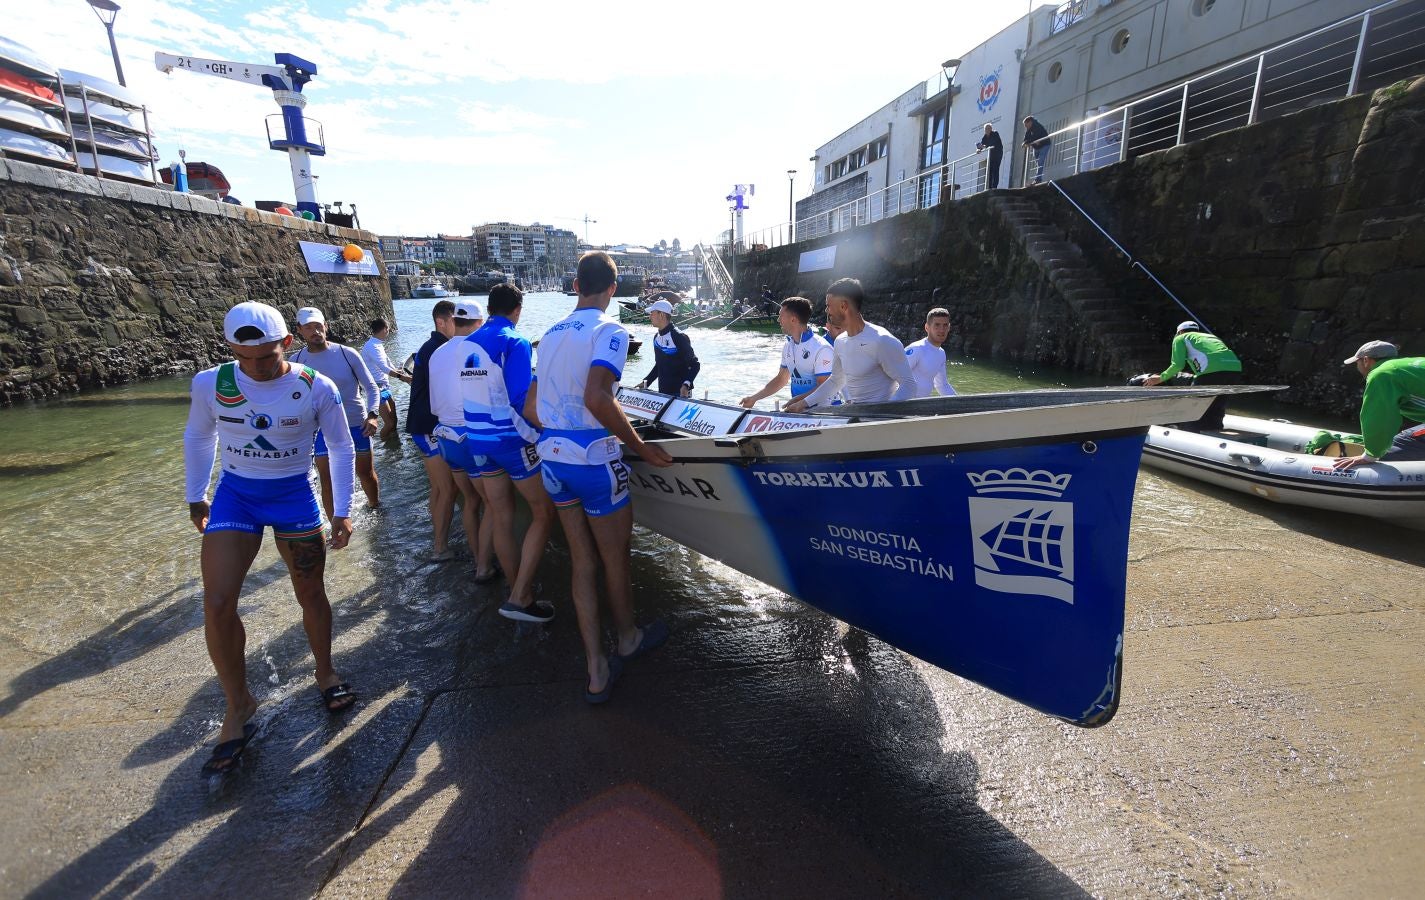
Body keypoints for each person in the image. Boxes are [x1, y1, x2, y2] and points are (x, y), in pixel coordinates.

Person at [184, 302, 358, 775]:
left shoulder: (314, 386)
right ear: (231, 349)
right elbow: (200, 437)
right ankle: (239, 704)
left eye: (266, 355)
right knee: (217, 601)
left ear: (286, 343)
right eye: (246, 357)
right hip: (236, 496)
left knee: (310, 592)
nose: (257, 367)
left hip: (293, 496)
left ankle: (325, 673)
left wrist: (341, 510)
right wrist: (195, 494)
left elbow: (341, 446)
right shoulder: (210, 383)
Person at [525, 251, 675, 703]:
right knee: (614, 559)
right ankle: (627, 639)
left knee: (581, 560)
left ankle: (594, 669)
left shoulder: (549, 334)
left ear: (575, 286)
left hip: (551, 459)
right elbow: (596, 395)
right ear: (613, 290)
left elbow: (531, 407)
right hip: (593, 461)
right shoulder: (610, 330)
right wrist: (641, 446)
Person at [460, 283, 556, 623]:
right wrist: (550, 430)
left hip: (479, 442)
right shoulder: (515, 341)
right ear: (517, 309)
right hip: (513, 442)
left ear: (489, 308)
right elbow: (520, 399)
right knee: (543, 512)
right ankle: (519, 597)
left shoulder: (467, 343)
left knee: (500, 514)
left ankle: (518, 591)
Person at [427, 300, 499, 581]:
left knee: (470, 501)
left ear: (454, 321)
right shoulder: (478, 349)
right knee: (493, 503)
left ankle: (476, 555)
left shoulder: (436, 353)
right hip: (472, 436)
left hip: (446, 438)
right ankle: (484, 566)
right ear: (480, 323)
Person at [291, 307, 383, 513]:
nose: (315, 331)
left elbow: (371, 387)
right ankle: (336, 528)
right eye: (308, 328)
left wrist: (373, 415)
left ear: (326, 326)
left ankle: (375, 508)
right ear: (299, 330)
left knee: (365, 473)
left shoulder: (347, 353)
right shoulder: (295, 362)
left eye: (318, 326)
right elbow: (290, 399)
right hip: (321, 430)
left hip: (356, 425)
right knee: (328, 480)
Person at [786, 277, 917, 412]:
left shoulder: (882, 340)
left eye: (828, 306)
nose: (826, 311)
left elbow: (909, 385)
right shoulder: (840, 341)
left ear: (843, 306)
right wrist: (803, 403)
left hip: (879, 422)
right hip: (854, 416)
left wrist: (882, 414)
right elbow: (836, 381)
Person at [405, 300, 459, 561]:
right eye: (454, 321)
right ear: (441, 322)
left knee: (438, 488)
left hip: (423, 424)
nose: (458, 326)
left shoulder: (430, 347)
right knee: (448, 488)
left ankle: (437, 536)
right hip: (427, 427)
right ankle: (440, 548)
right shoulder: (438, 349)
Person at [1334, 341, 1425, 471]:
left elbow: (1380, 418)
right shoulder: (1410, 366)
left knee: (1395, 447)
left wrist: (1371, 455)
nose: (1357, 367)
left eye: (1357, 363)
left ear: (1366, 360)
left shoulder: (1381, 374)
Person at [1143, 321, 1242, 431]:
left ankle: (1190, 434)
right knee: (1218, 405)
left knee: (1191, 409)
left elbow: (1178, 365)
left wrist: (1161, 378)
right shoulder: (1210, 337)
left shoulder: (1181, 338)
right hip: (1235, 368)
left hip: (1211, 371)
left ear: (1179, 332)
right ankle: (1215, 431)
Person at [739, 296, 834, 408]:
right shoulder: (788, 346)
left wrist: (797, 401)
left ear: (793, 320)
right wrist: (754, 398)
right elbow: (781, 379)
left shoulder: (821, 348)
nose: (778, 320)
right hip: (799, 410)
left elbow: (825, 387)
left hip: (824, 413)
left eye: (781, 316)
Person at [636, 298, 700, 397]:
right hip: (663, 393)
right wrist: (646, 382)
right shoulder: (656, 338)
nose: (650, 317)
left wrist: (686, 385)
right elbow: (659, 365)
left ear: (661, 315)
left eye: (652, 313)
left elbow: (695, 365)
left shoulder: (679, 337)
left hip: (680, 394)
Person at [361, 318, 411, 441]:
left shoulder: (378, 344)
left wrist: (399, 371)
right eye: (388, 329)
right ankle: (384, 446)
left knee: (394, 420)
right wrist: (402, 377)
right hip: (376, 388)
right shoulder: (371, 346)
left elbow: (387, 362)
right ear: (385, 329)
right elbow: (384, 368)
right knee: (389, 423)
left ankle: (394, 447)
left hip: (385, 386)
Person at [904, 307, 957, 398]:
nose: (941, 330)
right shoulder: (916, 349)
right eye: (937, 325)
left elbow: (942, 385)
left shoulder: (941, 353)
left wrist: (959, 402)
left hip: (921, 407)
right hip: (903, 405)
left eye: (945, 325)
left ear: (949, 328)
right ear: (927, 327)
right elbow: (895, 377)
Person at [1022, 116, 1051, 185]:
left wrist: (1029, 142)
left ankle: (1038, 179)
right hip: (1036, 147)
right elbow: (1026, 138)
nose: (1025, 127)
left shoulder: (1038, 126)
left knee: (1040, 162)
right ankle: (1038, 178)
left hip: (1044, 145)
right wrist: (1025, 142)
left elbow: (1034, 137)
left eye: (1026, 125)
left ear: (1030, 122)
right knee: (1038, 163)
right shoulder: (1029, 129)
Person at [976, 123, 1004, 190]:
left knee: (995, 170)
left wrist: (985, 146)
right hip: (991, 156)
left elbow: (994, 143)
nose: (987, 130)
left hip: (997, 154)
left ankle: (994, 187)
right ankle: (989, 188)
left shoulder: (995, 133)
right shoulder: (984, 137)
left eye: (988, 128)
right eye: (985, 129)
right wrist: (978, 149)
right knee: (990, 171)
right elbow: (982, 145)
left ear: (991, 129)